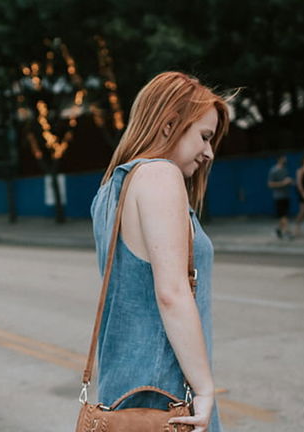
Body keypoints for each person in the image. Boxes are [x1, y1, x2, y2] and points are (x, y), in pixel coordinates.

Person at [90, 71, 230, 432]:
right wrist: (204, 388)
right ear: (169, 125)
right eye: (204, 136)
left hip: (123, 391)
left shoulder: (111, 191)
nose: (209, 152)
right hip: (164, 395)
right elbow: (172, 293)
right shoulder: (159, 176)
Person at [267, 155, 293, 239]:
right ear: (279, 159)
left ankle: (279, 229)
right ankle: (287, 231)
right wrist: (282, 183)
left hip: (286, 195)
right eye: (283, 158)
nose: (285, 159)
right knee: (283, 215)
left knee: (284, 215)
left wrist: (290, 182)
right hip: (278, 196)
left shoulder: (285, 169)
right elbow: (270, 184)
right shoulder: (273, 170)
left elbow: (287, 181)